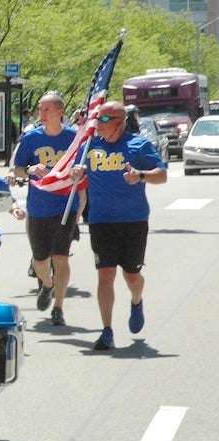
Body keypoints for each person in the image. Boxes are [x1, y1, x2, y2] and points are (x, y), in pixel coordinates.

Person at [70, 101, 167, 350]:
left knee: (132, 275)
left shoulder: (138, 145)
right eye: (97, 119)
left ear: (119, 122)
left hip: (133, 220)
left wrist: (141, 176)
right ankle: (107, 331)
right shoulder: (90, 146)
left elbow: (162, 174)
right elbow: (75, 171)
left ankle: (136, 300)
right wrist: (77, 173)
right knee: (105, 274)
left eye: (103, 120)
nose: (97, 125)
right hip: (101, 220)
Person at [12, 91, 84, 326]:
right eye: (40, 109)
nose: (41, 114)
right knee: (40, 261)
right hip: (38, 208)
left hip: (65, 206)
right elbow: (17, 169)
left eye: (47, 109)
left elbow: (86, 168)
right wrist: (30, 170)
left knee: (60, 259)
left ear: (60, 112)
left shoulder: (75, 138)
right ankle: (47, 285)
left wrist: (79, 172)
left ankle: (59, 308)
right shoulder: (32, 139)